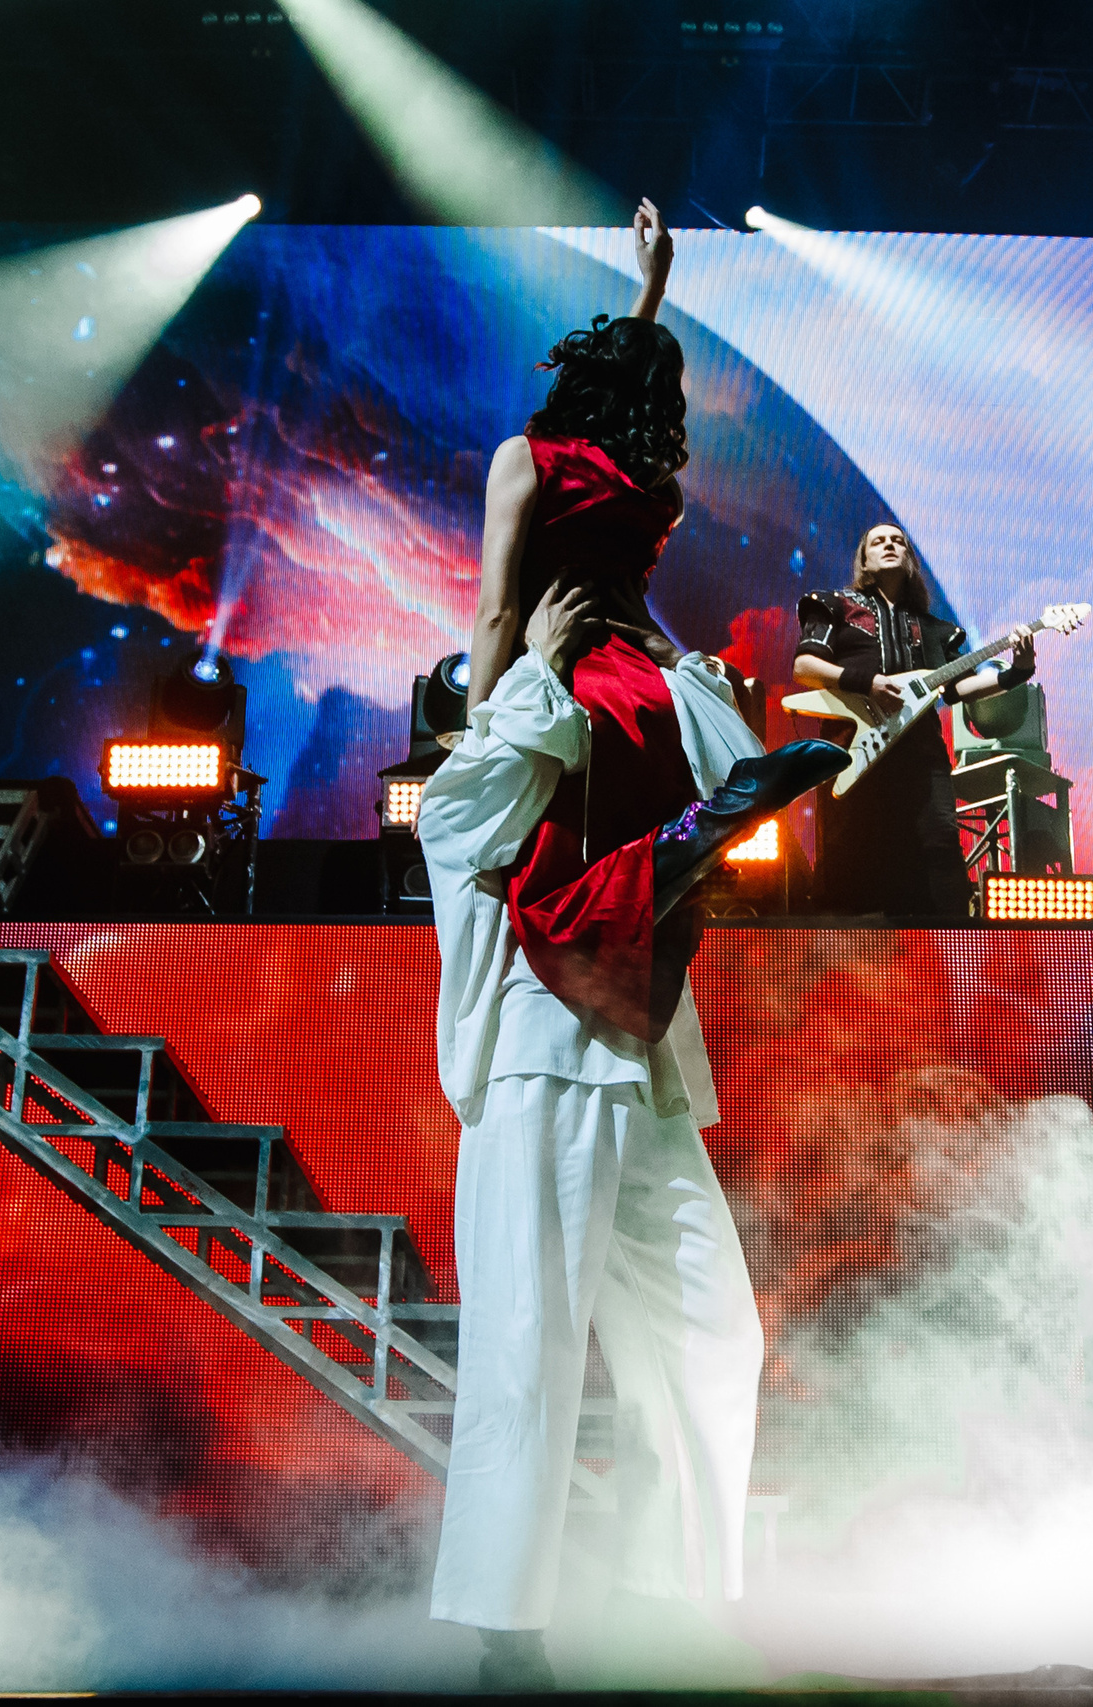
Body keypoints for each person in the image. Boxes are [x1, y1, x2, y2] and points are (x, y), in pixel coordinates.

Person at [416, 198, 844, 1688]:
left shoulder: (571, 480)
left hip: (633, 1022)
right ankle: (503, 1630)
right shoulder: (575, 498)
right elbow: (502, 619)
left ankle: (672, 1596)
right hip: (551, 1028)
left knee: (709, 1332)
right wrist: (508, 690)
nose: (663, 440)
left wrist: (653, 292)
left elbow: (532, 562)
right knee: (529, 1337)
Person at [791, 521, 1033, 917]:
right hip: (853, 752)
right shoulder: (834, 605)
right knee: (849, 851)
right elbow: (805, 666)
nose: (889, 545)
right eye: (878, 541)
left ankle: (942, 946)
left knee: (938, 850)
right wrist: (866, 682)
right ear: (864, 559)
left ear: (910, 559)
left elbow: (956, 689)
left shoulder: (936, 630)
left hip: (921, 759)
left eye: (898, 541)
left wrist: (1017, 672)